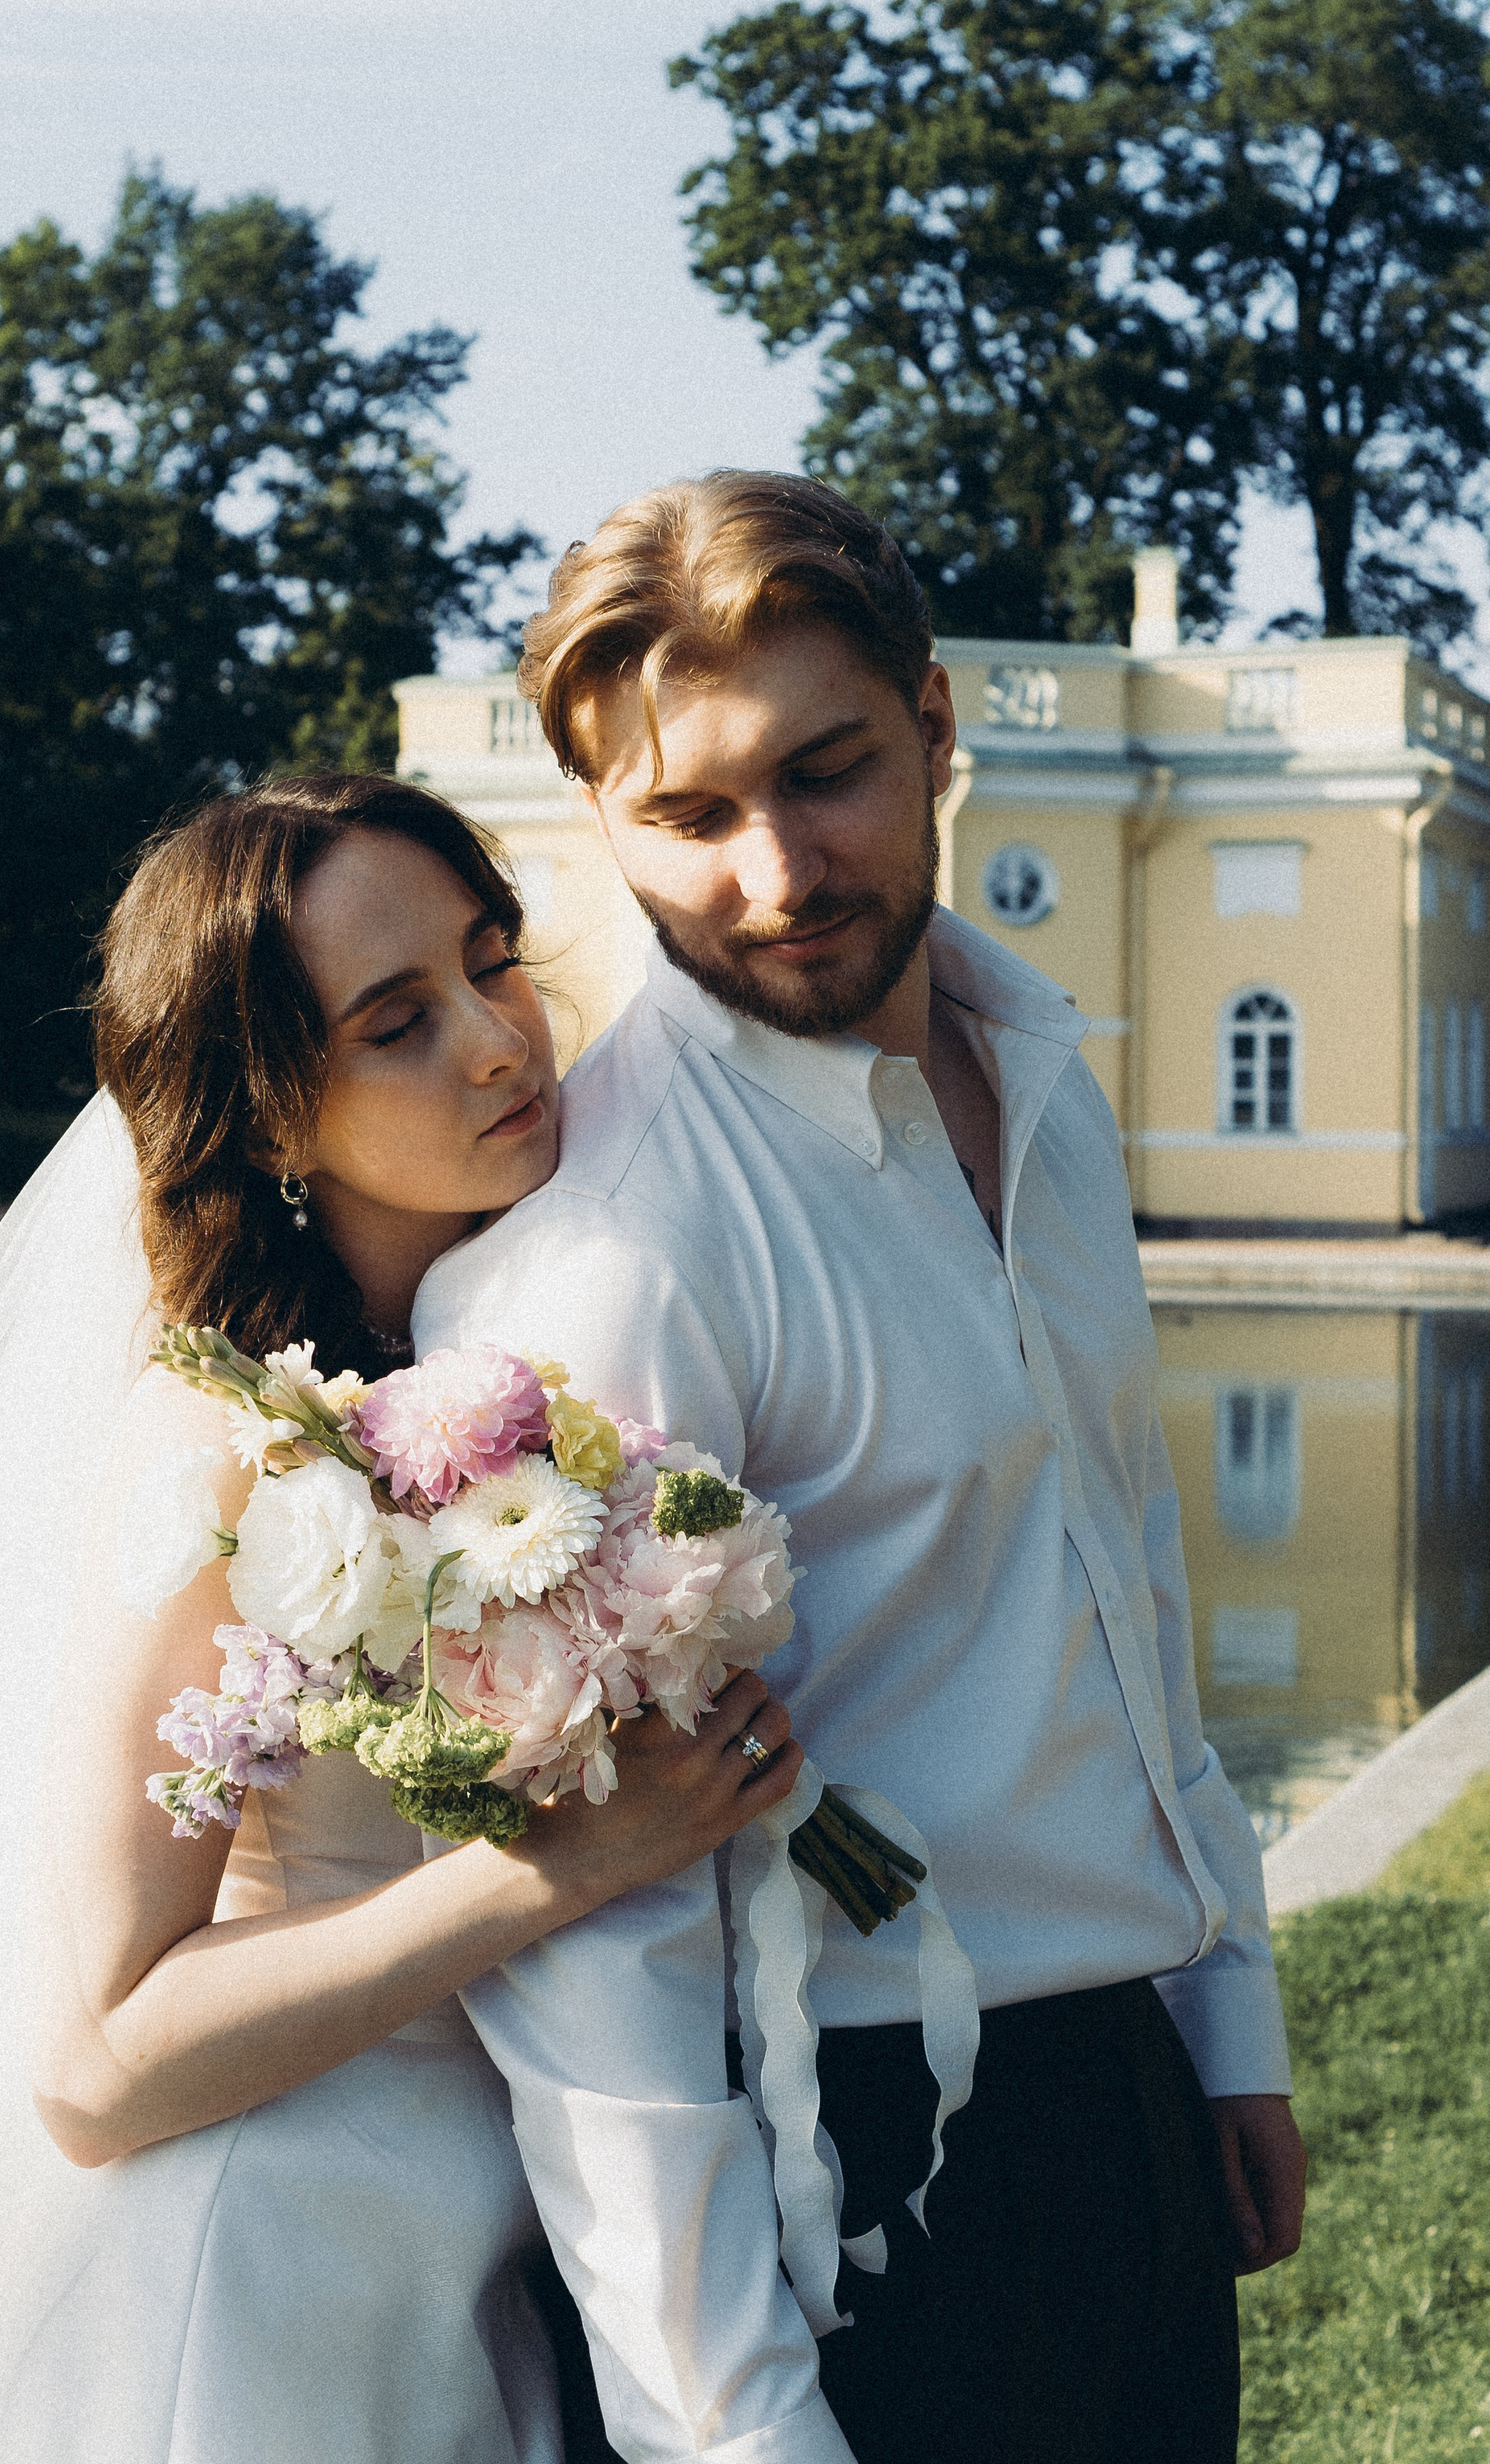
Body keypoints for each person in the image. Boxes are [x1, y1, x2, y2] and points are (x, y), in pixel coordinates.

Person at [412, 472, 1309, 2464]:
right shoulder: (613, 1256)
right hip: (849, 2159)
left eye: (825, 774)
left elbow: (1131, 1577)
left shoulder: (1044, 1084)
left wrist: (1221, 2023)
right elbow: (594, 1939)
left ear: (934, 728)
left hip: (1121, 2086)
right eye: (689, 817)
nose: (774, 872)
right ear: (602, 830)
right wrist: (731, 2432)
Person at [0, 772, 800, 2464]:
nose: (498, 1040)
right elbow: (96, 2062)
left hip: (461, 2253)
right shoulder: (220, 1449)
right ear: (265, 1118)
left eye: (491, 960)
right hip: (255, 2282)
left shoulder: (503, 1361)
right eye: (395, 1022)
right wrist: (563, 1866)